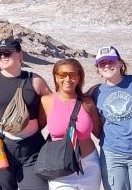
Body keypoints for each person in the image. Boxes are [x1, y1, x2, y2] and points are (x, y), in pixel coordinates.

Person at [0, 37, 52, 190]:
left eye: (7, 53)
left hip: (32, 149)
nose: (3, 57)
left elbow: (51, 107)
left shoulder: (35, 80)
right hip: (0, 146)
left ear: (20, 55)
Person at [39, 58, 102, 189]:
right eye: (62, 75)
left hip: (89, 165)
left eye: (72, 75)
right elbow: (35, 129)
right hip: (59, 168)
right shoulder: (46, 101)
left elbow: (99, 133)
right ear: (56, 77)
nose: (67, 79)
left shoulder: (88, 103)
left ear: (79, 78)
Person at [88, 46, 132, 190]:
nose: (107, 65)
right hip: (112, 154)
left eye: (111, 61)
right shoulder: (96, 92)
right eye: (102, 63)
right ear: (98, 69)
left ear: (120, 63)